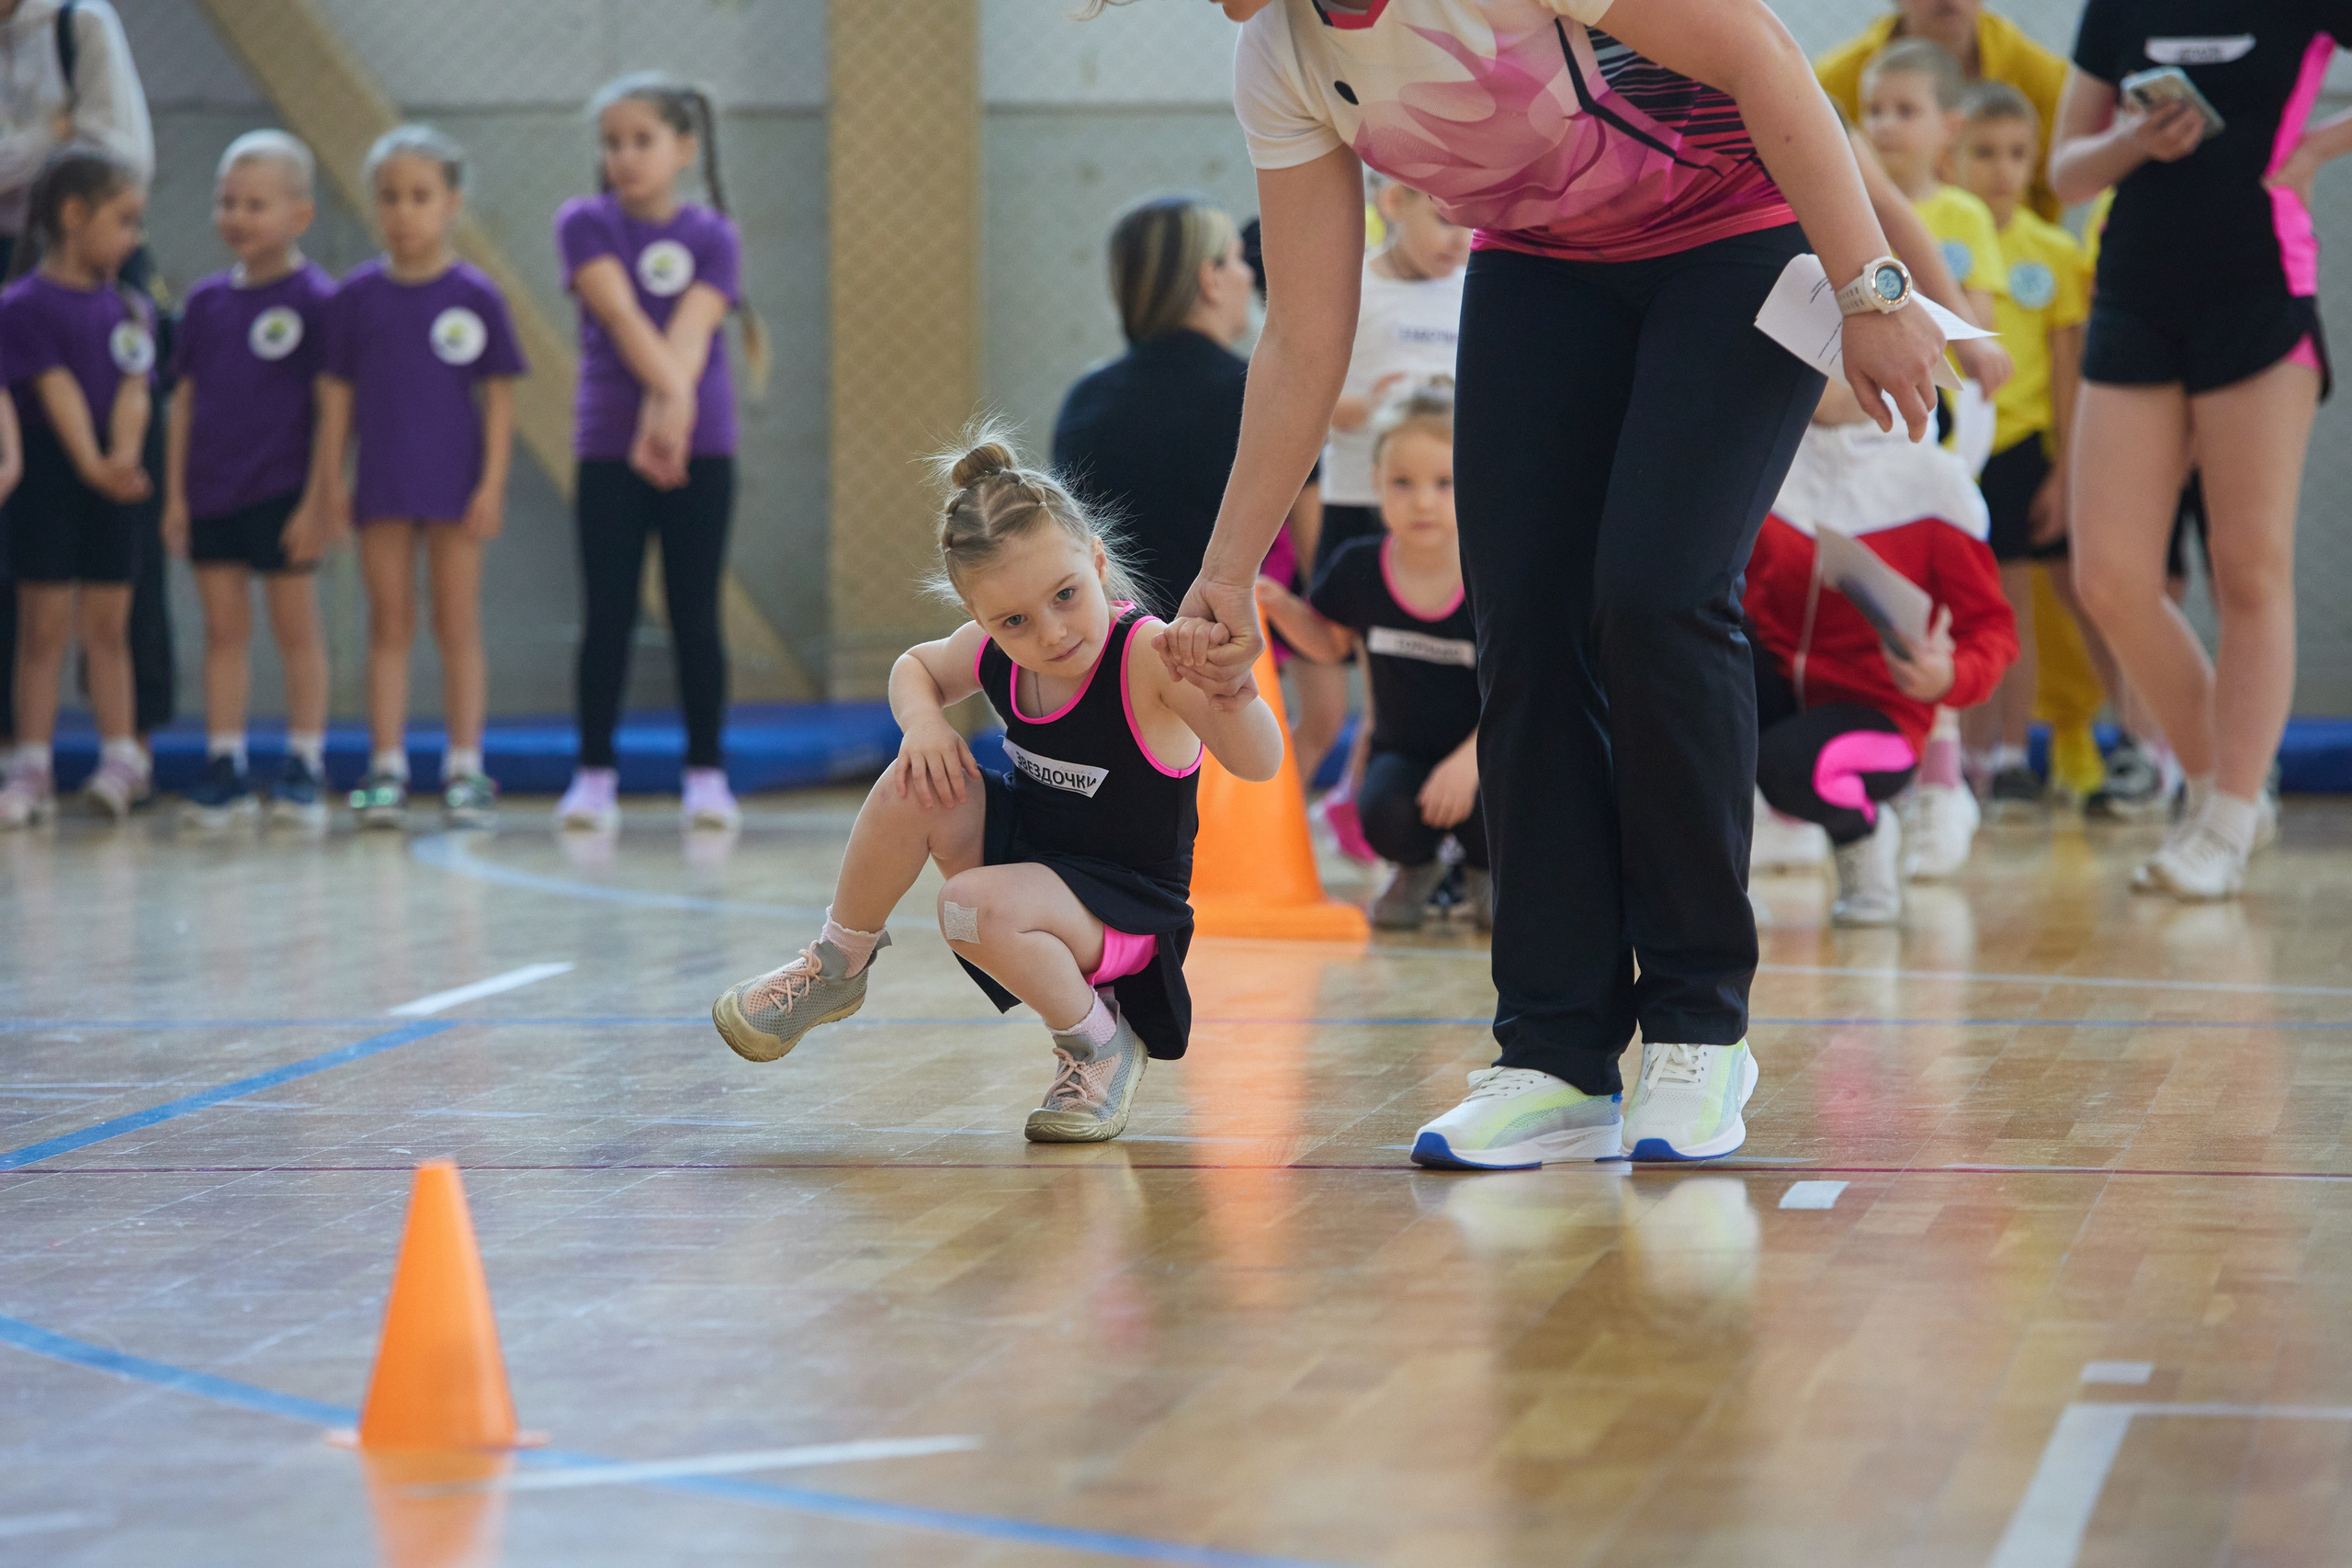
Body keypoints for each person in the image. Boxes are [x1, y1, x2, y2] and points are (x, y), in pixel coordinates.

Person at [1139, 0, 1951, 1170]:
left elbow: (1764, 56)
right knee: (1519, 630)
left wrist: (1870, 291)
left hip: (1735, 231)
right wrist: (1223, 571)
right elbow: (1306, 337)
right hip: (1541, 267)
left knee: (1658, 596)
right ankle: (1555, 1052)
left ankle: (1696, 1023)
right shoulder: (1280, 58)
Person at [710, 433, 1283, 1144]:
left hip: (1126, 909)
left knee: (967, 906)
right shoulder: (990, 653)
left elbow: (1260, 762)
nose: (1051, 632)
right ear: (980, 618)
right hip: (1033, 862)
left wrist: (1229, 693)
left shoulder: (1149, 656)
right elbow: (914, 666)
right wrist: (922, 723)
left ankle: (1099, 1041)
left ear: (1098, 562)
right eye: (1013, 620)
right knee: (911, 781)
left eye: (1067, 596)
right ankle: (837, 964)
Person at [2052, 2, 2352, 900]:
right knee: (2107, 575)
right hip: (2132, 294)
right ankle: (2223, 786)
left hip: (2259, 291)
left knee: (2246, 564)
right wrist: (2138, 141)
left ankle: (2223, 813)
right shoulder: (2115, 9)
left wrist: (2316, 149)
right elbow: (2067, 170)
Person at [551, 72, 765, 836]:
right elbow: (619, 314)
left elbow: (694, 327)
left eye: (642, 140)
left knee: (694, 611)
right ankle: (593, 774)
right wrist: (666, 400)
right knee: (606, 610)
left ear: (683, 148)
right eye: (613, 142)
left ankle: (706, 773)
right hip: (611, 448)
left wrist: (671, 411)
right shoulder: (585, 222)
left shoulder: (714, 235)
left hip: (698, 450)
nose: (625, 156)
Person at [1744, 379, 2018, 925]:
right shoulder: (1765, 458)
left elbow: (1992, 630)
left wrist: (1947, 677)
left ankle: (1864, 836)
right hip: (1780, 691)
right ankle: (1719, 887)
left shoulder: (1934, 484)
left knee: (1788, 767)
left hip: (1883, 716)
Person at [315, 125, 525, 830]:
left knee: (456, 621)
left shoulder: (476, 295)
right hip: (381, 484)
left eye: (419, 195)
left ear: (451, 203)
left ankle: (465, 766)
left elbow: (499, 397)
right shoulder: (356, 298)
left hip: (455, 485)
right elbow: (337, 401)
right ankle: (387, 767)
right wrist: (328, 482)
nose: (403, 210)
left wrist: (491, 483)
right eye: (389, 197)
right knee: (389, 621)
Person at [1259, 378, 1483, 932]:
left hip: (1488, 752)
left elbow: (1528, 687)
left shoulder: (1492, 577)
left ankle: (1488, 875)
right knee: (1381, 809)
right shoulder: (1360, 568)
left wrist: (1469, 762)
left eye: (1445, 483)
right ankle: (1416, 870)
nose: (1423, 501)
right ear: (1376, 485)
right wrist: (1282, 606)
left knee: (1504, 806)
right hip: (1402, 751)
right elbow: (1331, 644)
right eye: (1402, 483)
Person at [163, 130, 335, 829]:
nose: (236, 216)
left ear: (299, 214)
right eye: (226, 202)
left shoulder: (318, 299)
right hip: (212, 491)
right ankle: (225, 761)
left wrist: (319, 498)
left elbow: (333, 409)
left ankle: (304, 761)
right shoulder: (204, 303)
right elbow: (186, 405)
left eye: (255, 204)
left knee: (296, 629)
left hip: (284, 494)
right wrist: (176, 496)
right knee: (223, 630)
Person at [1947, 81, 2107, 820]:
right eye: (1984, 153)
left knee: (2010, 605)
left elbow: (2069, 368)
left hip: (2019, 448)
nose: (2001, 170)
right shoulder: (1933, 232)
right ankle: (1960, 758)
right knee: (1949, 606)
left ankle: (2013, 753)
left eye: (2016, 154)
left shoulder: (2054, 251)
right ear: (1955, 155)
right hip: (1947, 444)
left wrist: (2070, 472)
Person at [0, 143, 142, 827]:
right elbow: (54, 389)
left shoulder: (130, 307)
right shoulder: (23, 305)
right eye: (123, 221)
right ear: (73, 214)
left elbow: (137, 389)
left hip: (111, 475)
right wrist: (92, 464)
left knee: (109, 626)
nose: (132, 238)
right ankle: (31, 760)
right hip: (55, 478)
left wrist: (125, 457)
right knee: (43, 624)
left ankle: (120, 755)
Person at [1050, 195, 1254, 619]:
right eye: (1237, 259)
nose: (1250, 276)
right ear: (1210, 278)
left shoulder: (1086, 400)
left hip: (1114, 651)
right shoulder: (1257, 396)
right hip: (1228, 650)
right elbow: (1313, 557)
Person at [1316, 175, 1467, 578]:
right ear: (1395, 201)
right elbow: (1306, 401)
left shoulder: (1471, 289)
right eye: (1447, 220)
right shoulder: (1352, 287)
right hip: (1358, 495)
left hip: (1446, 506)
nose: (1463, 240)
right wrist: (1367, 407)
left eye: (1476, 222)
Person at [1815, 0, 2069, 221]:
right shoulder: (1832, 82)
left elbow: (2054, 189)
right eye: (1875, 110)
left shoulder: (2044, 78)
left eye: (1906, 110)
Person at [1862, 41, 2005, 333]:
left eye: (1905, 111)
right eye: (1874, 111)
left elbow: (1978, 321)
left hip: (1946, 376)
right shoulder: (1851, 207)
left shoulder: (1968, 215)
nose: (1885, 124)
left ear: (1950, 127)